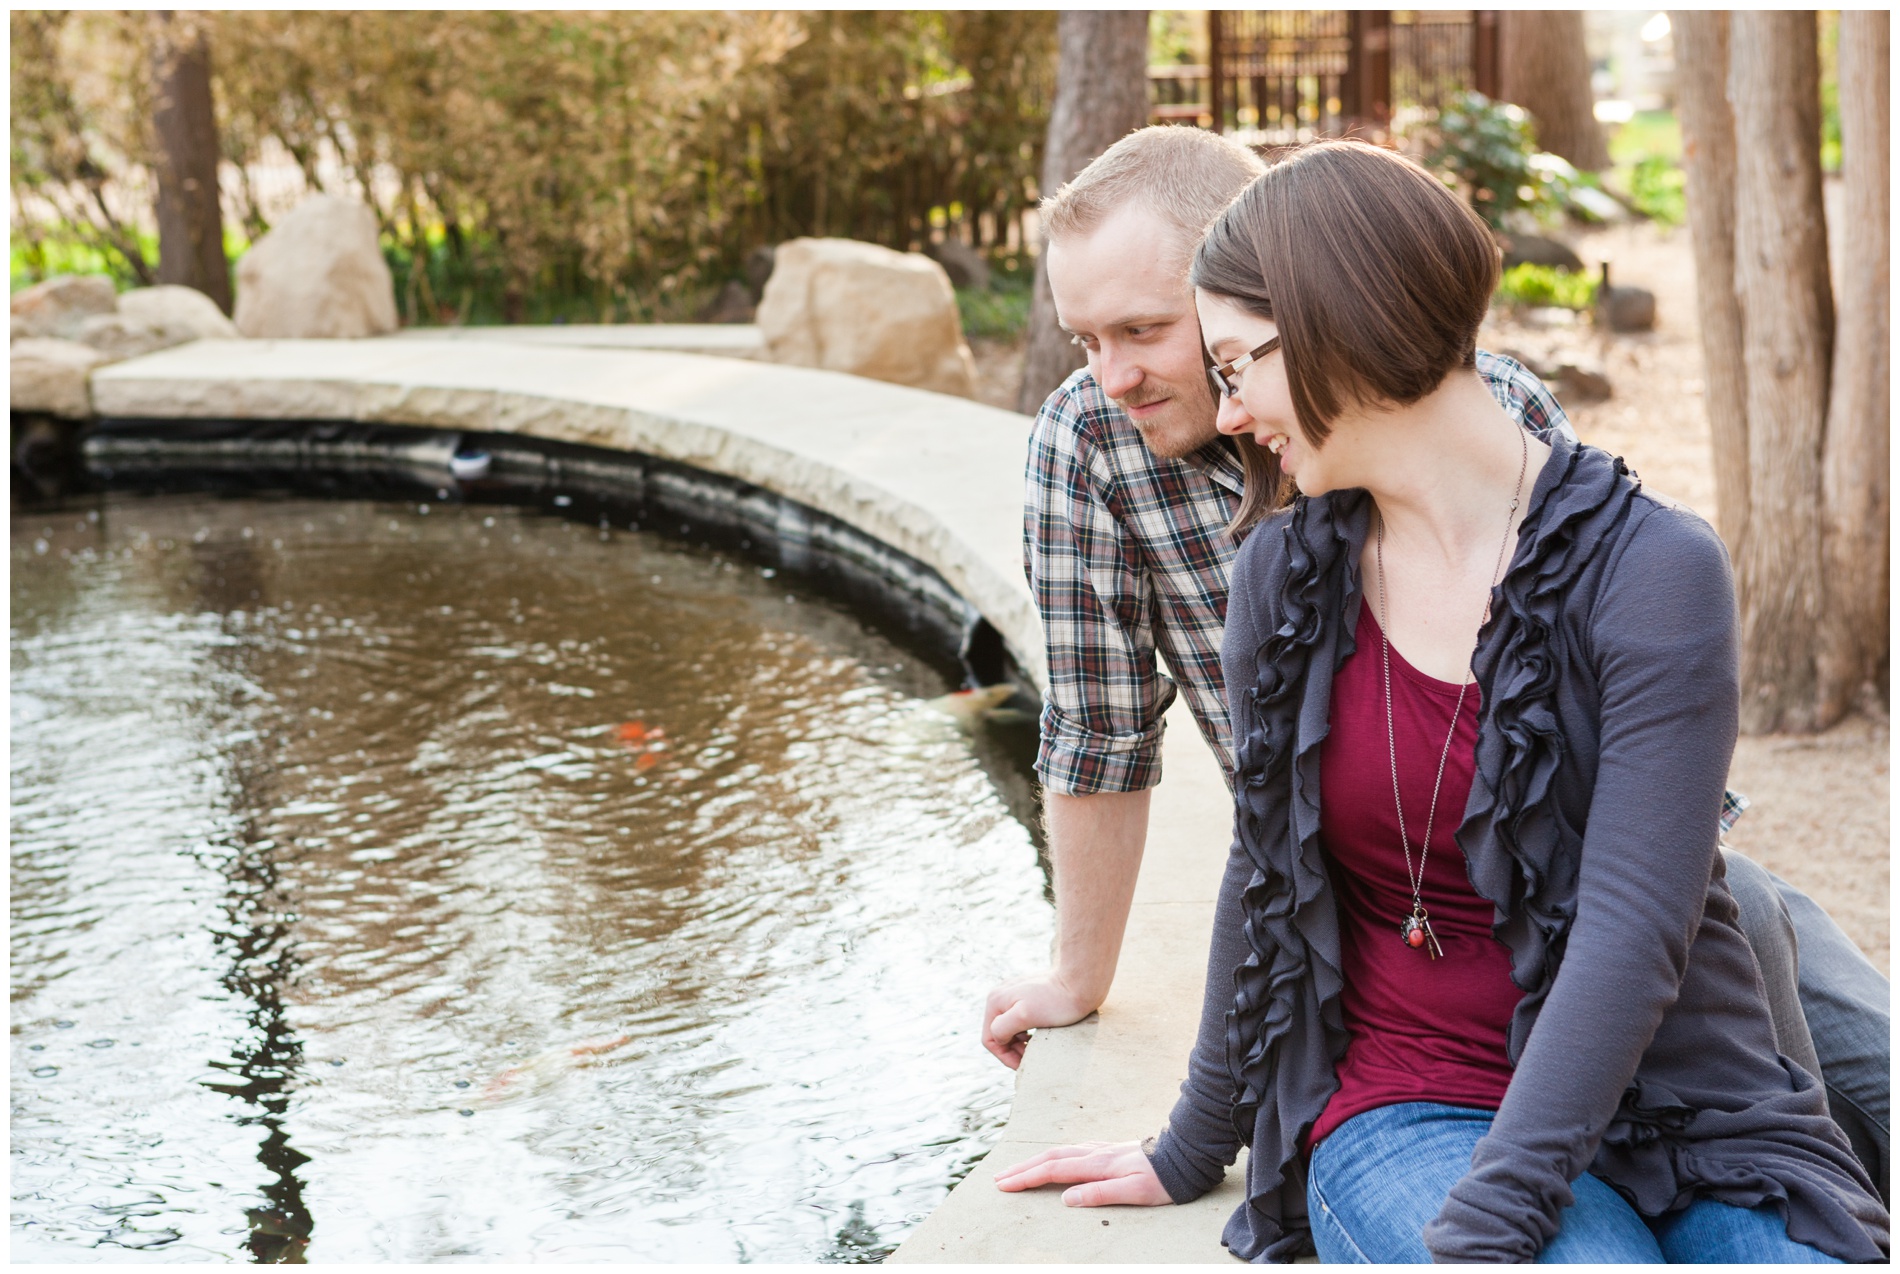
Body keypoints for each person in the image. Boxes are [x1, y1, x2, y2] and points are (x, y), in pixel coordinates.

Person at [992, 139, 1889, 1263]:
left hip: (1657, 1033)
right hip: (1421, 1079)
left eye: (1227, 362)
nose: (1223, 411)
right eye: (1094, 340)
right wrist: (1188, 1130)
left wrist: (1499, 1213)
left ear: (1328, 321)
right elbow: (1242, 848)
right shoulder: (1253, 545)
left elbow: (1632, 910)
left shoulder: (1602, 518)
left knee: (1763, 930)